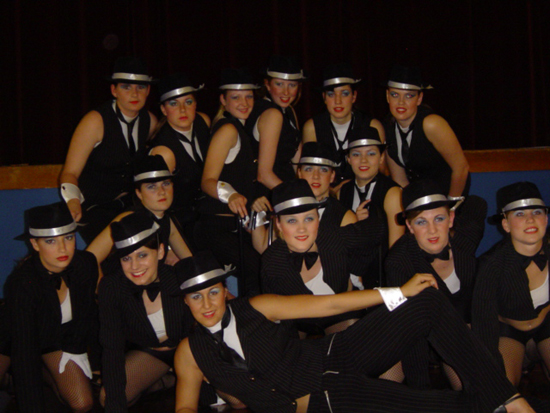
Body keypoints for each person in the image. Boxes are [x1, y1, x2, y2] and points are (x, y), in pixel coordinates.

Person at [172, 251, 535, 413]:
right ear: (185, 302)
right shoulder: (189, 353)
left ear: (225, 290)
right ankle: (501, 405)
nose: (207, 304)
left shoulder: (256, 306)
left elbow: (329, 305)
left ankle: (509, 397)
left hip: (336, 354)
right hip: (327, 401)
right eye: (196, 297)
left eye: (213, 292)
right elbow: (186, 406)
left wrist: (397, 292)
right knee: (434, 407)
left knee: (424, 299)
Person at [385, 179, 487, 389]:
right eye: (421, 222)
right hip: (415, 337)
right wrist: (421, 388)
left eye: (439, 219)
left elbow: (478, 203)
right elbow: (407, 330)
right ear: (409, 226)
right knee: (382, 387)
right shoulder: (399, 262)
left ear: (451, 219)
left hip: (459, 335)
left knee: (474, 388)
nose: (432, 230)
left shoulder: (466, 240)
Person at [4, 203, 98, 412]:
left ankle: (45, 372)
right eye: (50, 241)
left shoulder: (85, 264)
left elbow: (87, 316)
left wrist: (84, 355)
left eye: (69, 237)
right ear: (35, 244)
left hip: (54, 342)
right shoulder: (22, 283)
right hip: (12, 337)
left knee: (83, 403)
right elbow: (24, 351)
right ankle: (11, 379)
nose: (63, 248)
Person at [97, 212, 195, 412]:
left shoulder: (179, 278)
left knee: (236, 400)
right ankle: (161, 380)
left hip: (190, 351)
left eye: (142, 255)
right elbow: (112, 348)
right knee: (108, 398)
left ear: (160, 251)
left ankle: (170, 379)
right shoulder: (112, 287)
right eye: (126, 258)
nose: (135, 266)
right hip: (151, 354)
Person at [261, 179, 385, 335]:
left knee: (355, 337)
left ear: (318, 219)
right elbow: (274, 316)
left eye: (309, 218)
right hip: (299, 323)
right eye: (292, 221)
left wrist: (355, 267)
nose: (301, 229)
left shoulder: (333, 238)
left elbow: (377, 230)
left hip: (341, 313)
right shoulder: (271, 262)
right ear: (279, 224)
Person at [59, 57, 157, 244]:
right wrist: (73, 201)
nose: (134, 94)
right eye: (126, 87)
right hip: (95, 207)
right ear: (114, 90)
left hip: (130, 205)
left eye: (141, 87)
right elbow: (70, 172)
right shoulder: (95, 121)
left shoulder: (150, 121)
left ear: (148, 91)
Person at [473, 181, 549, 387]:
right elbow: (483, 324)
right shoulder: (490, 265)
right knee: (502, 387)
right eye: (520, 214)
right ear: (505, 224)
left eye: (537, 212)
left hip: (547, 324)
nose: (530, 219)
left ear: (546, 218)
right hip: (508, 331)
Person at [195, 68, 262, 296]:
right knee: (257, 272)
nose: (244, 103)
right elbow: (207, 181)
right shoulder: (228, 130)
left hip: (233, 226)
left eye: (249, 96)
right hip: (217, 228)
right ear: (223, 100)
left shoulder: (238, 129)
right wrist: (230, 194)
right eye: (236, 97)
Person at [86, 154, 192, 272]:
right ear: (139, 193)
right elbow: (89, 259)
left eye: (166, 183)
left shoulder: (166, 218)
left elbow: (190, 261)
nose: (162, 192)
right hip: (120, 281)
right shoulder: (127, 218)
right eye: (151, 186)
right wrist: (103, 284)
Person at [384, 64, 470, 198]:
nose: (401, 102)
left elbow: (461, 168)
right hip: (420, 200)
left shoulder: (431, 124)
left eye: (409, 96)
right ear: (387, 96)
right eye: (395, 95)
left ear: (419, 99)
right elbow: (400, 180)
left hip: (449, 196)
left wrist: (451, 205)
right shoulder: (388, 127)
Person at [148, 73, 210, 248]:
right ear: (163, 109)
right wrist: (168, 245)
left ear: (195, 104)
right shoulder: (164, 152)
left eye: (188, 102)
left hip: (207, 216)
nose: (183, 110)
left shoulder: (203, 122)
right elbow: (154, 205)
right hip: (180, 225)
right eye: (174, 104)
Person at [302, 62, 386, 185]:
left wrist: (348, 190)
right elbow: (308, 174)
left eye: (344, 93)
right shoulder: (312, 127)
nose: (338, 101)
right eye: (331, 94)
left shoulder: (372, 125)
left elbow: (381, 171)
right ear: (324, 97)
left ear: (354, 96)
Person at [337, 122, 404, 247]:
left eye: (371, 153)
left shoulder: (393, 194)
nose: (363, 160)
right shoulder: (343, 192)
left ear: (381, 158)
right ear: (348, 159)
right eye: (356, 154)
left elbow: (397, 249)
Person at [245, 55, 305, 191]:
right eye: (279, 84)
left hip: (285, 186)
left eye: (292, 85)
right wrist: (295, 196)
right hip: (268, 193)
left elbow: (296, 163)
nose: (286, 92)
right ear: (267, 85)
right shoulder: (272, 114)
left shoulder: (289, 110)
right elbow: (263, 175)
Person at [296, 142, 358, 229]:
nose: (316, 176)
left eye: (323, 170)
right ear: (299, 173)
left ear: (332, 176)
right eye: (309, 169)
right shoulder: (287, 210)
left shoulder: (345, 218)